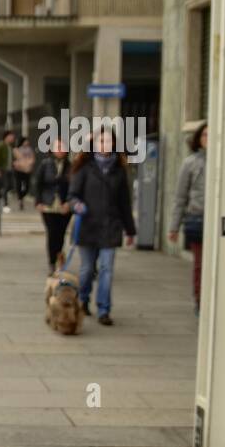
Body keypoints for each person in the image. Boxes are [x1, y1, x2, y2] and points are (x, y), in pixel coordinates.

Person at [167, 123, 225, 316]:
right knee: (201, 264)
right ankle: (200, 300)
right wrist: (174, 227)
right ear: (199, 139)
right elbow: (180, 197)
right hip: (198, 219)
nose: (208, 138)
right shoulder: (190, 163)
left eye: (213, 135)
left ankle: (223, 301)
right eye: (204, 135)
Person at [68, 128, 136, 326]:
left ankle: (104, 309)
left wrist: (130, 230)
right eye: (101, 141)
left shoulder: (120, 170)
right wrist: (77, 205)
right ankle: (83, 299)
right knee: (87, 269)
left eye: (108, 141)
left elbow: (125, 202)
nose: (104, 144)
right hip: (88, 226)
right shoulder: (84, 167)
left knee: (107, 269)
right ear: (94, 144)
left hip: (110, 227)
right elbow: (72, 196)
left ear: (114, 144)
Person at [31, 133, 71, 270]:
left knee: (61, 234)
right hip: (48, 205)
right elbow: (38, 183)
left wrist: (69, 203)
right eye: (57, 146)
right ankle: (52, 261)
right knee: (52, 232)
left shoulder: (71, 166)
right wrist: (38, 201)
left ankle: (59, 255)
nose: (60, 149)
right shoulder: (45, 164)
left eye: (62, 146)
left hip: (64, 206)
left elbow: (74, 187)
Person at [0, 129, 15, 214]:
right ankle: (5, 205)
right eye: (11, 136)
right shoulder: (1, 145)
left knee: (10, 186)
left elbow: (11, 158)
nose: (12, 138)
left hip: (9, 169)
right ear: (6, 136)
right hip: (2, 169)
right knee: (5, 186)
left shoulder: (10, 146)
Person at [12, 135, 36, 209]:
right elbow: (16, 158)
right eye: (25, 141)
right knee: (19, 184)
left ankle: (21, 197)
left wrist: (29, 163)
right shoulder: (17, 149)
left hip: (27, 170)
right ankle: (20, 199)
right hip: (19, 170)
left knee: (27, 185)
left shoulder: (30, 150)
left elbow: (32, 159)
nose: (26, 142)